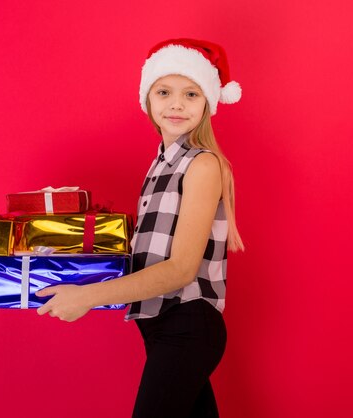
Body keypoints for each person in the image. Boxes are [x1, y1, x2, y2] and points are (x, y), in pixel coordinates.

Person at [35, 38, 244, 418]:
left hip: (189, 326)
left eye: (191, 94)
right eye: (164, 91)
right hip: (161, 327)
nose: (177, 104)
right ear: (148, 99)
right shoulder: (159, 165)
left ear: (208, 103)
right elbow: (143, 254)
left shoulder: (202, 165)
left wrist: (86, 296)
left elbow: (180, 269)